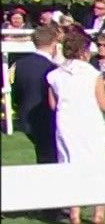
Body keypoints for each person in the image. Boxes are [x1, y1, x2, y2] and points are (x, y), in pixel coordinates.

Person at [46, 26, 105, 224]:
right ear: (84, 51)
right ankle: (98, 214)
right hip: (90, 123)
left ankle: (74, 214)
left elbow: (52, 105)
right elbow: (104, 105)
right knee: (98, 164)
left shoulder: (54, 75)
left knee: (69, 163)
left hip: (67, 123)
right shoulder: (93, 74)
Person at [8, 22, 60, 164]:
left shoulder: (20, 64)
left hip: (26, 117)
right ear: (54, 43)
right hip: (48, 118)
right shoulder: (52, 68)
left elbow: (15, 92)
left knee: (43, 154)